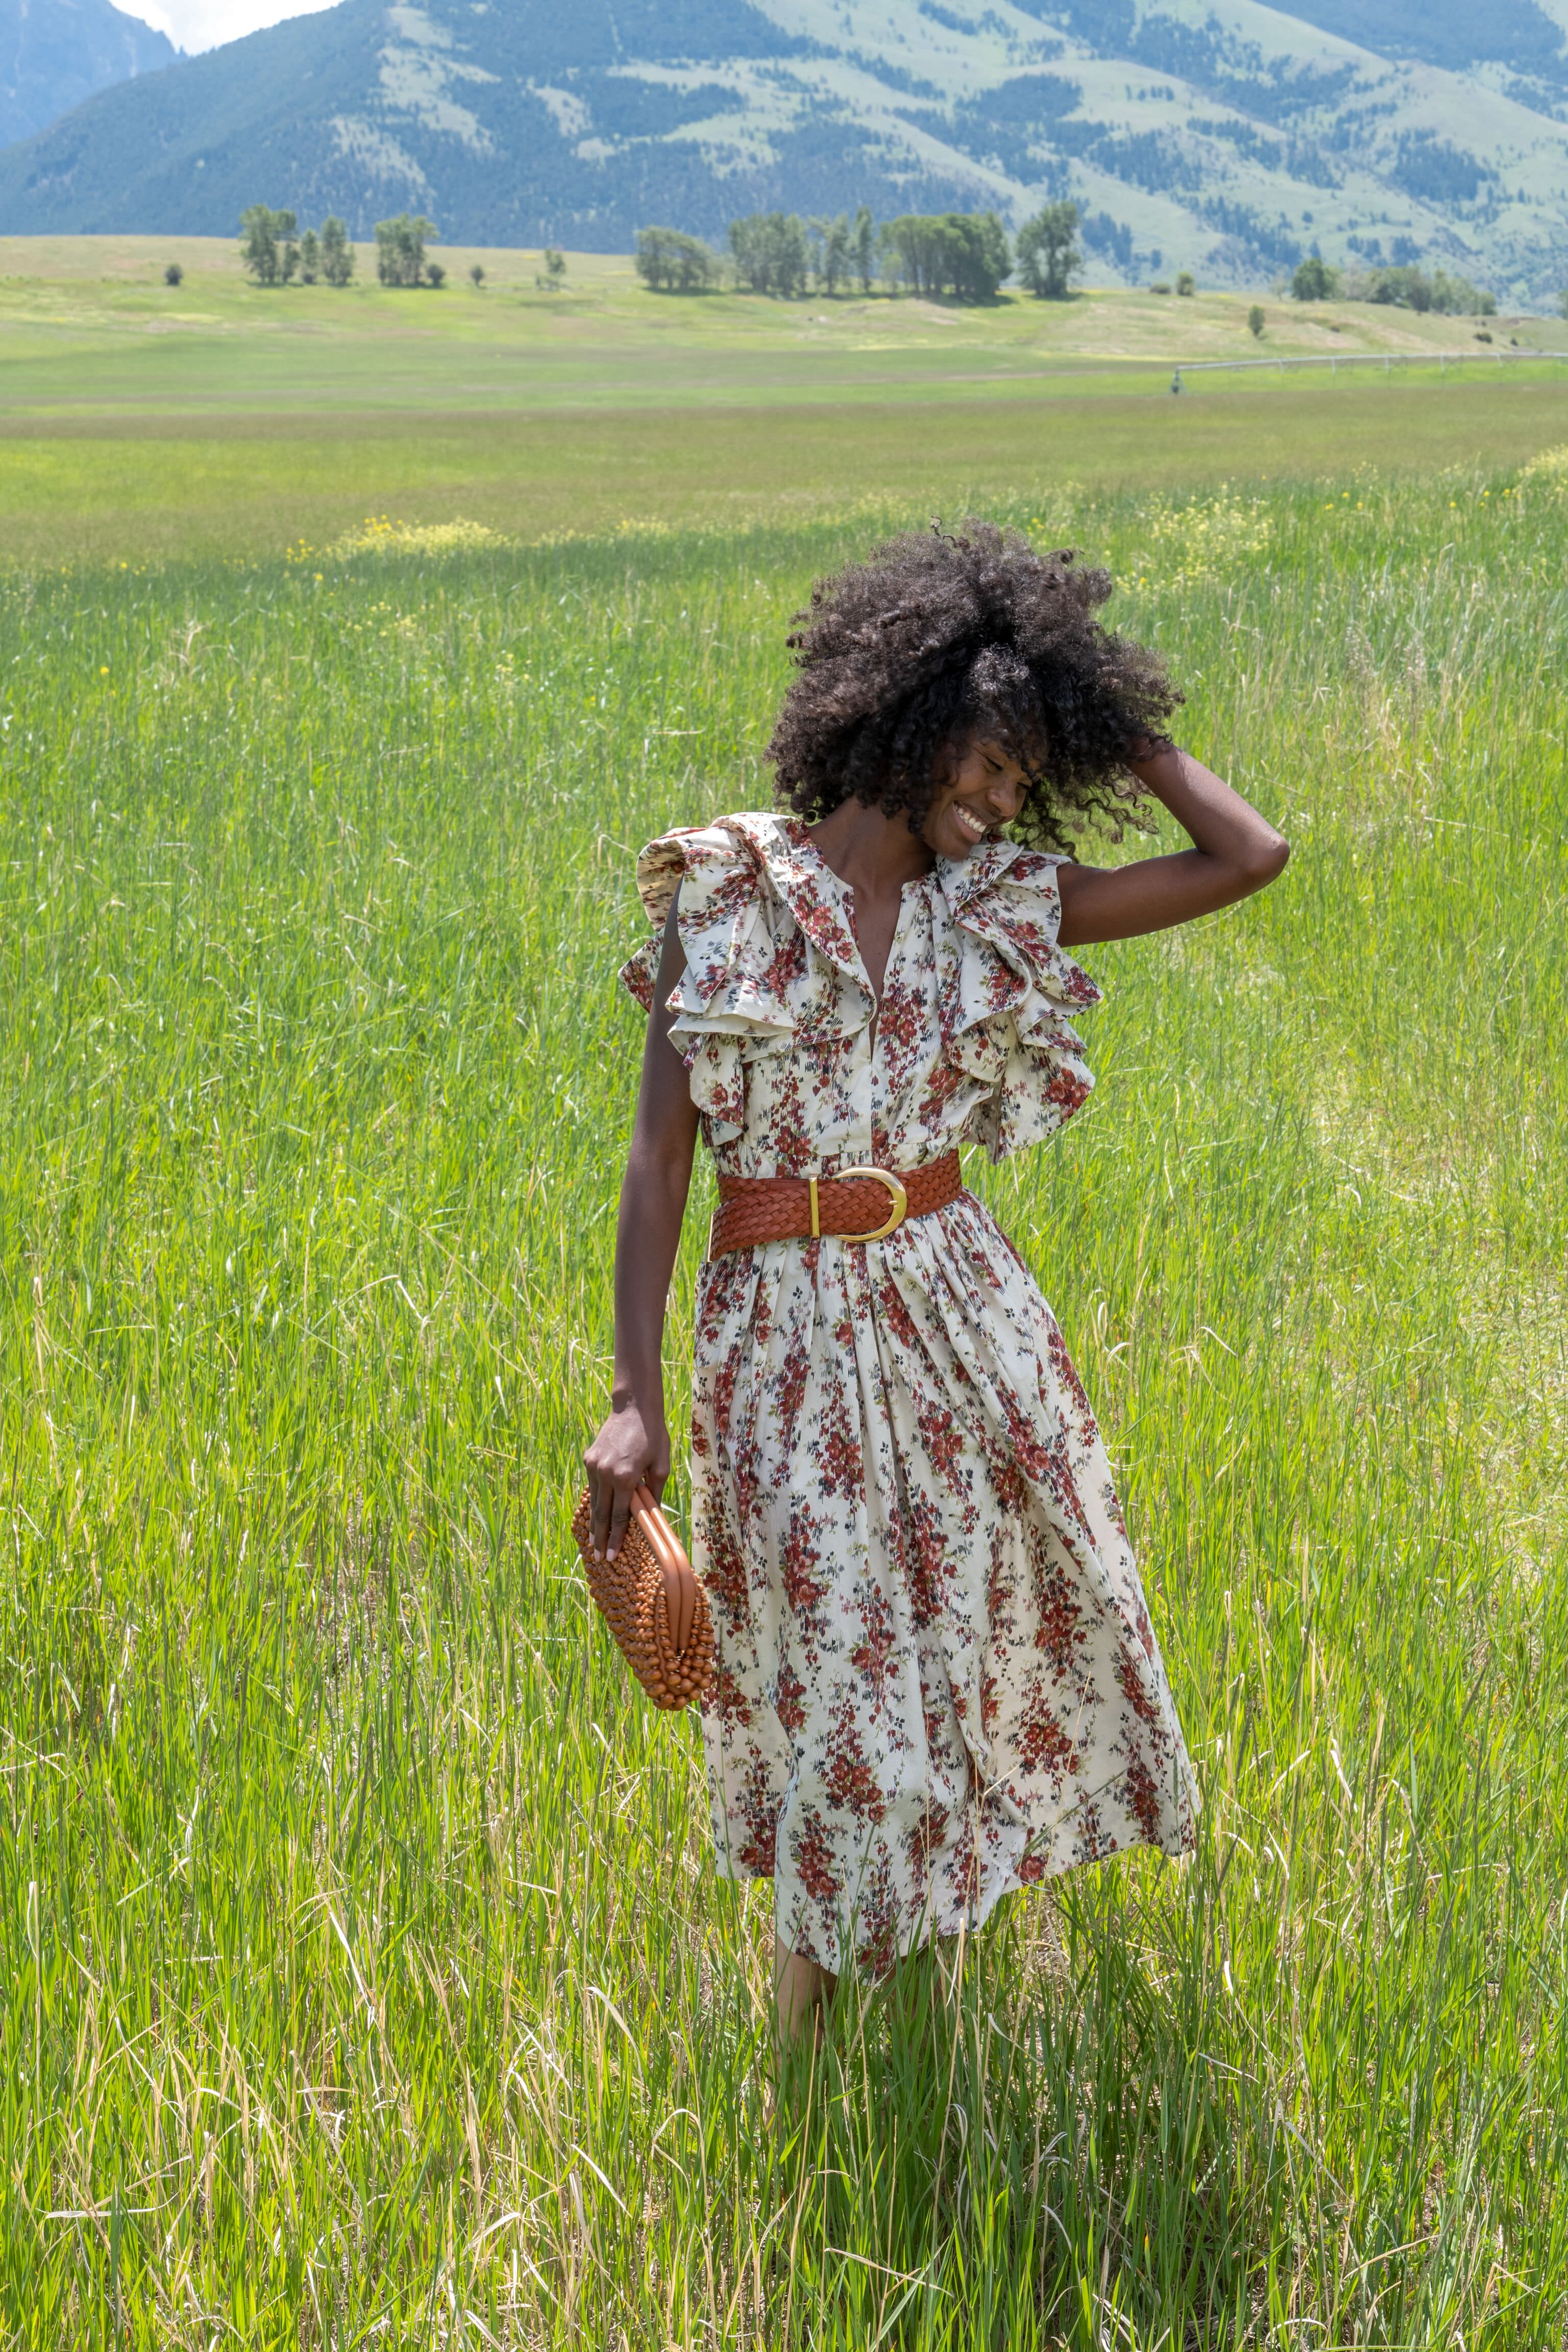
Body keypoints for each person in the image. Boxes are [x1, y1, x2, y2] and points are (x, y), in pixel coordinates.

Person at [585, 521, 1288, 2041]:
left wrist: (1103, 712)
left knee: (960, 1662)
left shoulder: (998, 906)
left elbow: (1250, 857)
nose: (1002, 800)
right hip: (780, 1342)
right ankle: (804, 2063)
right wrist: (633, 1398)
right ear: (906, 716)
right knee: (842, 1687)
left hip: (962, 1324)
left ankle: (908, 2024)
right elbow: (658, 1162)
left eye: (1030, 777)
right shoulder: (724, 890)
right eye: (989, 760)